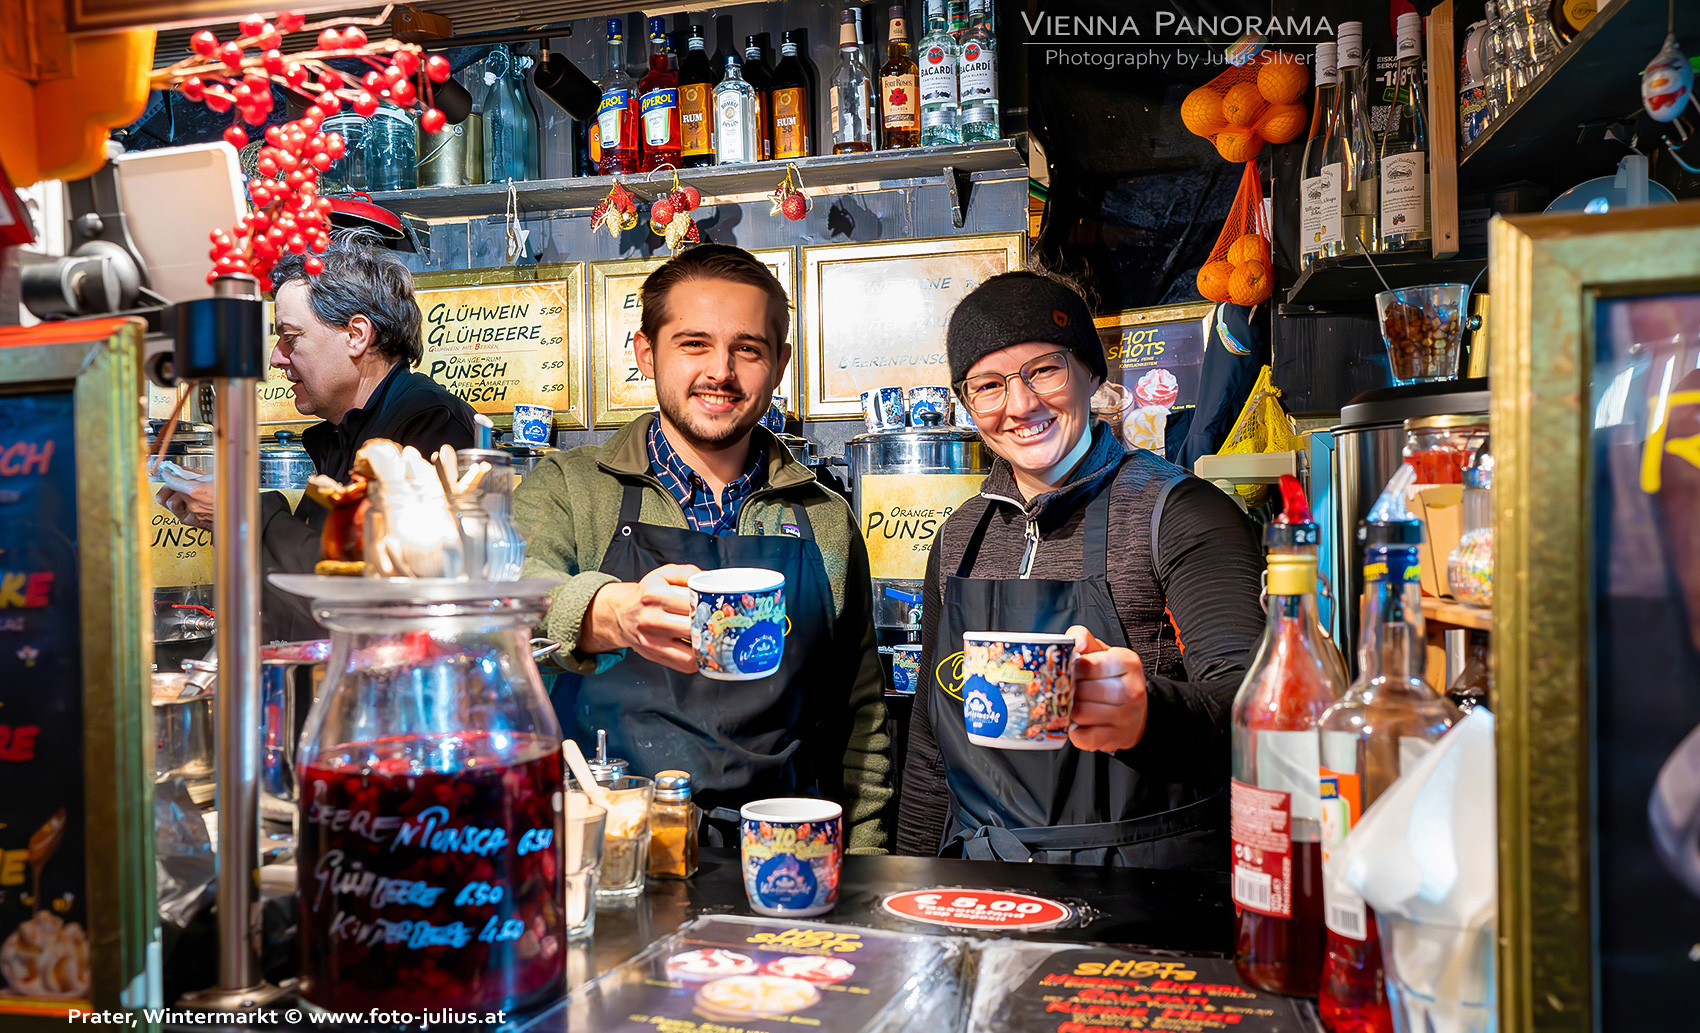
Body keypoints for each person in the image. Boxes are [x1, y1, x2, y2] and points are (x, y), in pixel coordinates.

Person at [513, 244, 888, 851]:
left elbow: (862, 716)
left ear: (781, 362)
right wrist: (603, 612)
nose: (721, 371)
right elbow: (507, 611)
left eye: (748, 348)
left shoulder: (823, 516)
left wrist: (866, 863)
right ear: (645, 352)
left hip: (788, 854)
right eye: (693, 344)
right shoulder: (569, 488)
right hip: (611, 850)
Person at [896, 271, 1265, 867]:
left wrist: (1150, 714)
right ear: (967, 405)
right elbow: (929, 744)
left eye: (1044, 369)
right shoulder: (961, 535)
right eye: (987, 385)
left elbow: (1257, 707)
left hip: (1139, 891)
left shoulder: (1181, 512)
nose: (1019, 405)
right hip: (981, 887)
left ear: (1092, 373)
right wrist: (907, 883)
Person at [155, 238, 477, 641]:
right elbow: (315, 578)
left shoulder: (427, 427)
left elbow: (370, 595)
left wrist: (241, 515)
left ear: (357, 335)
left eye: (291, 337)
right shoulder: (344, 435)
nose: (276, 357)